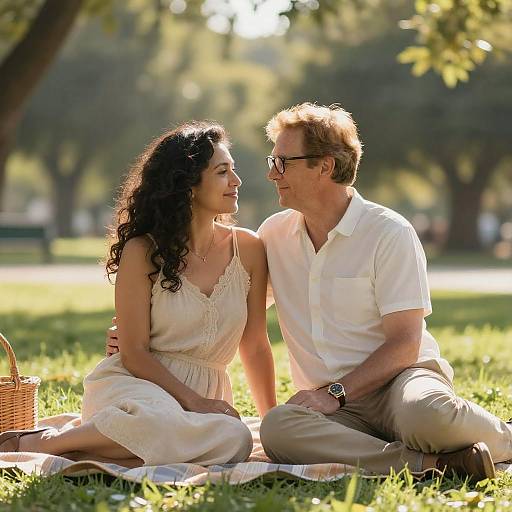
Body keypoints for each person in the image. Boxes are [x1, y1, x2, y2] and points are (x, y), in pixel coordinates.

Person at [256, 103, 511, 480]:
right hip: (337, 409)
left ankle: (505, 438)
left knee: (427, 417)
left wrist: (335, 393)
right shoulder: (272, 235)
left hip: (402, 382)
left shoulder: (389, 232)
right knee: (277, 428)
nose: (271, 173)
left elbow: (405, 344)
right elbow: (239, 314)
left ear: (324, 166)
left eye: (282, 162)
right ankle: (434, 465)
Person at [0, 121, 276, 466]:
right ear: (188, 184)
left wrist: (270, 425)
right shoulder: (143, 251)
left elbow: (256, 345)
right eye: (223, 172)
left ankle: (92, 449)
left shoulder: (248, 249)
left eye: (232, 171)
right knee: (159, 423)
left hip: (204, 394)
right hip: (136, 387)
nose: (236, 182)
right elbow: (133, 352)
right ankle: (48, 443)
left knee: (235, 439)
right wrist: (193, 402)